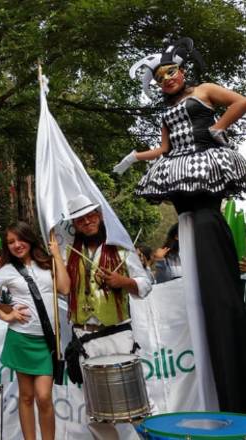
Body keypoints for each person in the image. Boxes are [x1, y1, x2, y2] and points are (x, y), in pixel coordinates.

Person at [115, 37, 246, 411]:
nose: (166, 80)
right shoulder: (167, 110)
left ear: (183, 71)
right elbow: (166, 149)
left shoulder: (203, 90)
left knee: (203, 214)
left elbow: (240, 100)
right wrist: (136, 156)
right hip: (181, 172)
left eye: (170, 72)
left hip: (204, 166)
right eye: (159, 77)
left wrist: (219, 128)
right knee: (187, 211)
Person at [0, 222, 70, 440]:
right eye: (10, 242)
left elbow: (64, 288)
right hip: (20, 338)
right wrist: (6, 315)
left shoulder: (47, 263)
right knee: (26, 397)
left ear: (30, 239)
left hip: (46, 341)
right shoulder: (7, 271)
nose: (17, 245)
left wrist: (56, 255)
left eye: (20, 239)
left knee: (44, 396)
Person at [63, 195, 151, 377]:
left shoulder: (121, 248)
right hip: (84, 337)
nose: (87, 222)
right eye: (80, 219)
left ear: (100, 216)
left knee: (129, 392)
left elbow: (145, 284)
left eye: (91, 216)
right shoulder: (68, 254)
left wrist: (123, 282)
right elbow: (62, 289)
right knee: (95, 398)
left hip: (117, 334)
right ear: (74, 224)